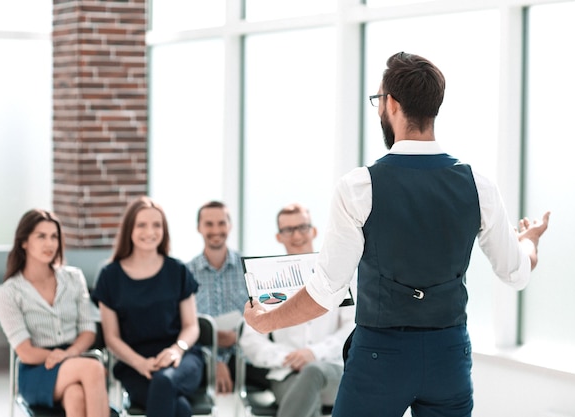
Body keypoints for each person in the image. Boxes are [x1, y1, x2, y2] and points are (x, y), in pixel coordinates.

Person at [244, 52, 551, 417]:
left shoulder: (359, 186)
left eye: (378, 100)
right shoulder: (479, 185)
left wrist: (265, 321)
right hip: (448, 355)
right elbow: (515, 274)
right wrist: (529, 240)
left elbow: (327, 292)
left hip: (380, 358)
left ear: (390, 104)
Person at [239, 203, 355, 417]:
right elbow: (250, 340)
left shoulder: (337, 275)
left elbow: (351, 329)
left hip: (332, 371)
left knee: (313, 372)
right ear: (279, 237)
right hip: (286, 374)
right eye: (288, 230)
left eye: (302, 227)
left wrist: (314, 353)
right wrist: (288, 358)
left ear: (314, 231)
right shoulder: (264, 281)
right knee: (303, 391)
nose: (297, 235)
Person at [93, 196, 204, 417]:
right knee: (179, 408)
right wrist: (141, 363)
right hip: (134, 364)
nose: (149, 232)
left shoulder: (177, 270)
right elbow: (112, 338)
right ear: (129, 230)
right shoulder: (110, 276)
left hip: (181, 358)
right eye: (141, 225)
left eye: (156, 225)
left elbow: (191, 326)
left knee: (164, 382)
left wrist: (176, 350)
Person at [0, 209, 109, 417]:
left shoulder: (74, 278)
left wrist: (69, 354)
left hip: (74, 356)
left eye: (54, 237)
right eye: (41, 236)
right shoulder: (9, 293)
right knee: (93, 368)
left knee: (75, 396)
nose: (49, 244)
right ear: (24, 242)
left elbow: (88, 331)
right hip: (36, 369)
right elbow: (26, 352)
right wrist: (62, 357)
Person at [187, 200, 248, 394]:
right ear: (199, 227)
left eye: (221, 223)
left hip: (244, 355)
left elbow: (265, 317)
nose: (216, 230)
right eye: (209, 224)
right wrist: (216, 359)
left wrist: (237, 337)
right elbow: (181, 325)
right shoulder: (186, 274)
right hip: (201, 357)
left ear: (230, 226)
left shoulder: (248, 268)